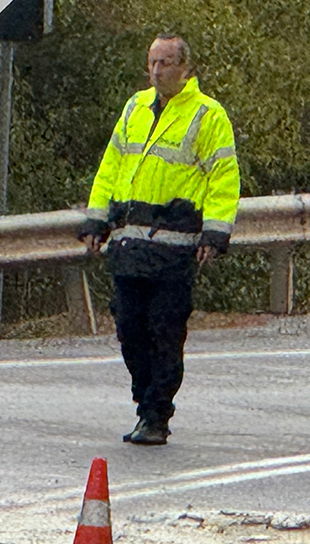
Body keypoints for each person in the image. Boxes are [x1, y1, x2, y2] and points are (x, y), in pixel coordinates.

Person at [78, 33, 240, 445]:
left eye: (165, 63)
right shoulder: (135, 107)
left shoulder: (208, 115)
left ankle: (156, 415)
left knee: (164, 332)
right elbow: (111, 166)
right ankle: (144, 404)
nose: (156, 71)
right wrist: (96, 220)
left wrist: (216, 231)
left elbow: (223, 178)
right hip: (130, 246)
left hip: (175, 248)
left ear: (185, 69)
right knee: (130, 331)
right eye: (152, 62)